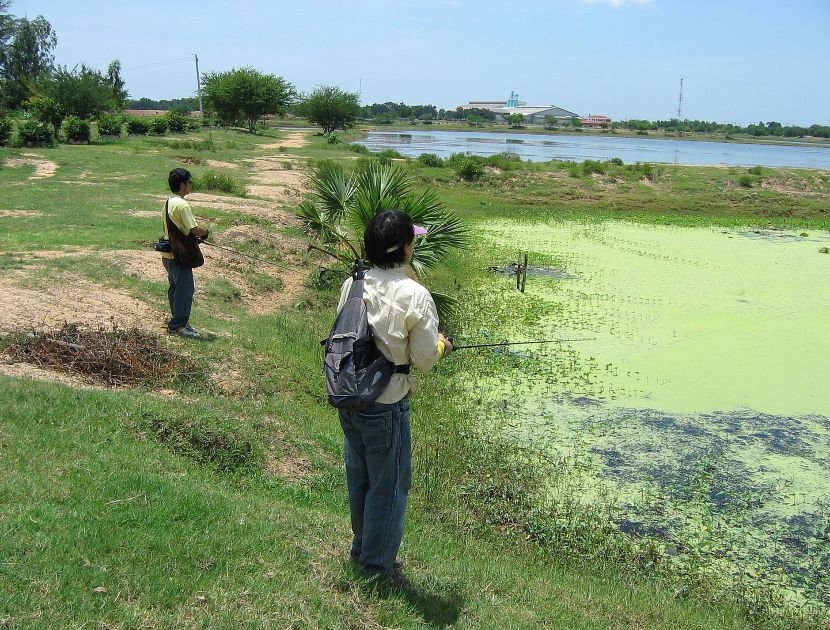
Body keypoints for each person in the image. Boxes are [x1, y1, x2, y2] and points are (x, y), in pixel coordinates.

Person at [336, 210, 453, 586]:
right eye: (412, 240)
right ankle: (376, 567)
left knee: (361, 477)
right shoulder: (414, 294)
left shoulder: (352, 284)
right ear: (405, 248)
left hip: (352, 396)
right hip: (387, 403)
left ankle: (363, 547)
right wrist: (442, 345)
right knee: (390, 486)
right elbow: (424, 359)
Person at [161, 168, 209, 338]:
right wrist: (206, 232)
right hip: (179, 257)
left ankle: (179, 321)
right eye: (189, 182)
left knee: (175, 290)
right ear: (182, 185)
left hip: (168, 256)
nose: (190, 185)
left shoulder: (169, 201)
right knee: (185, 291)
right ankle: (178, 326)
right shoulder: (182, 205)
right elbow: (194, 229)